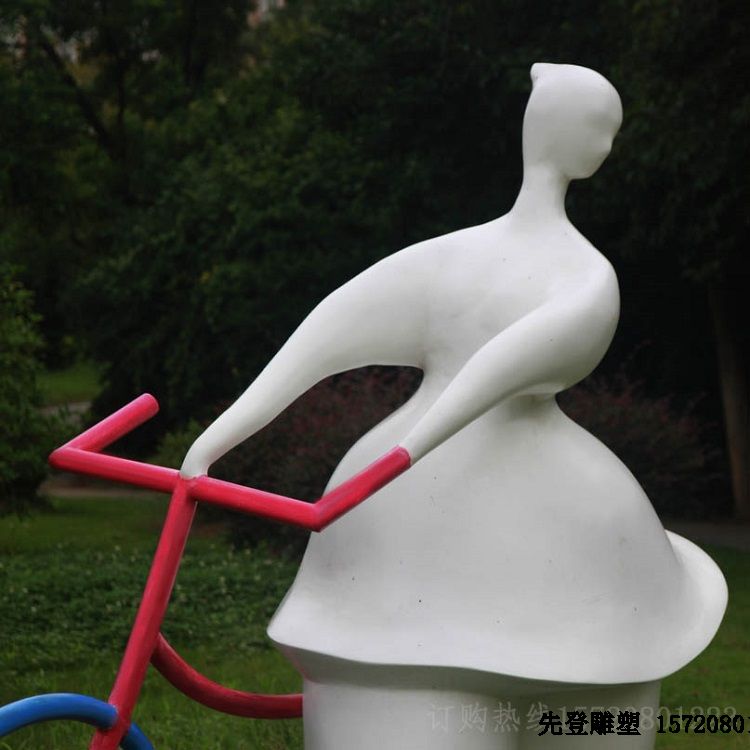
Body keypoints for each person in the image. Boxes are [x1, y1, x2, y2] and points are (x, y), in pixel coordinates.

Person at [181, 63, 727, 749]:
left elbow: (507, 364)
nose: (608, 147)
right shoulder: (572, 273)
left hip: (534, 535)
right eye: (602, 128)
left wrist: (402, 453)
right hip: (482, 525)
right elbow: (326, 340)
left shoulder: (556, 273)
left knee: (581, 680)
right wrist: (214, 443)